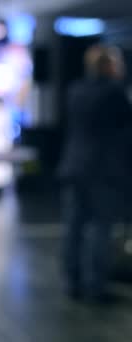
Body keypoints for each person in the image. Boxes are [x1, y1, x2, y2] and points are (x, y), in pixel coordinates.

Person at [59, 44, 132, 303]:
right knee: (101, 228)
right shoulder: (114, 92)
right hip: (104, 171)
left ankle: (72, 281)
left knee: (74, 228)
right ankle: (96, 286)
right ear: (108, 65)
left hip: (75, 166)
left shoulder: (75, 90)